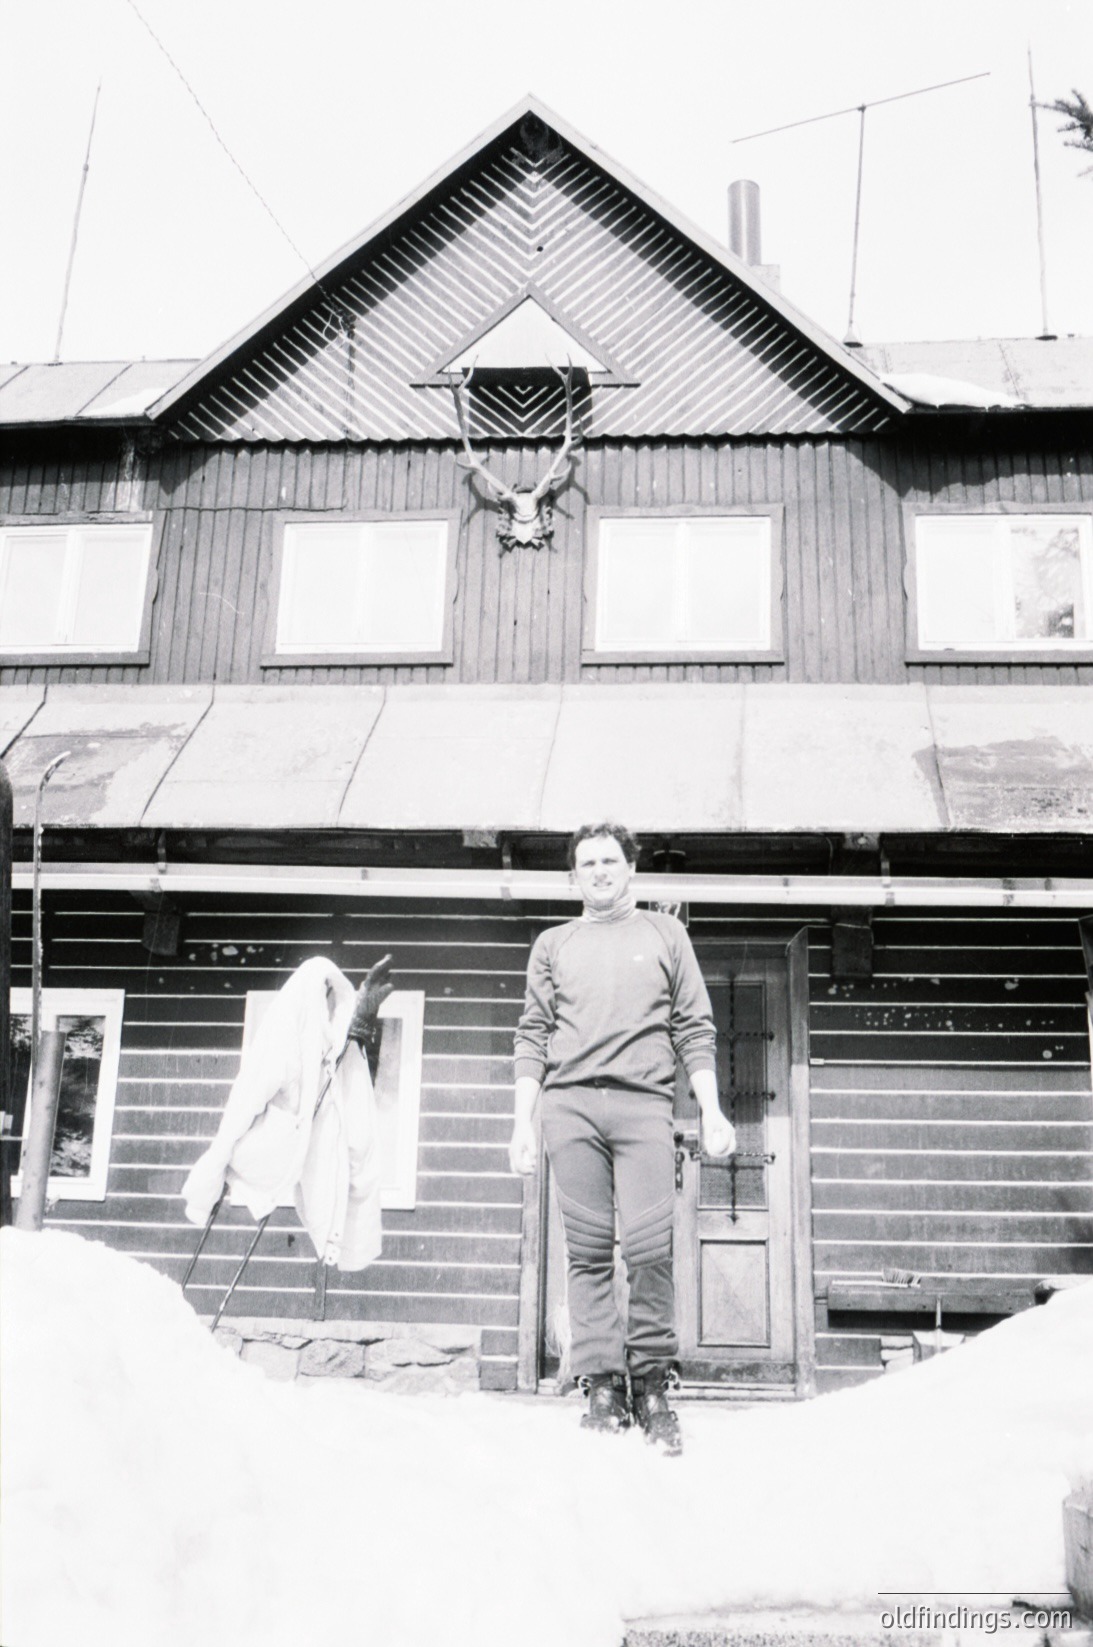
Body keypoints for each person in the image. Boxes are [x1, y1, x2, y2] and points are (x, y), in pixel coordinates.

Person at [510, 822, 734, 1455]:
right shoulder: (554, 944)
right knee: (585, 1252)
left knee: (648, 1249)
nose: (600, 870)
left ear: (631, 868)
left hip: (644, 1108)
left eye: (611, 859)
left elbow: (694, 1027)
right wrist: (521, 1122)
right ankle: (603, 1383)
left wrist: (712, 1111)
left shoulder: (667, 935)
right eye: (588, 862)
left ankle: (652, 1384)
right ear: (573, 876)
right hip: (570, 1108)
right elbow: (532, 1035)